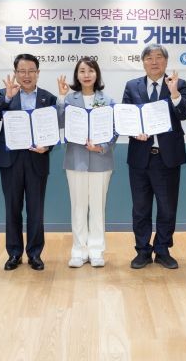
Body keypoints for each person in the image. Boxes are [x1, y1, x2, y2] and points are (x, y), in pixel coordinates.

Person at [122, 43, 186, 270]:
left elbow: (183, 114)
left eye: (159, 57)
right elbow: (126, 117)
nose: (154, 61)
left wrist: (175, 93)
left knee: (167, 208)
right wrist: (134, 131)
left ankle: (162, 250)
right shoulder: (132, 86)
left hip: (167, 157)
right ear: (143, 62)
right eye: (149, 58)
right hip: (140, 157)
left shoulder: (178, 84)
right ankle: (142, 251)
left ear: (166, 62)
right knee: (140, 208)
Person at [0, 54, 58, 271]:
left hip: (37, 158)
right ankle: (14, 253)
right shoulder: (6, 93)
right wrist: (7, 99)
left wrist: (48, 146)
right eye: (22, 71)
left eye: (31, 71)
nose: (26, 75)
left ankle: (35, 254)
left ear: (38, 73)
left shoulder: (48, 98)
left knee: (36, 210)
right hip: (11, 160)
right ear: (15, 73)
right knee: (12, 208)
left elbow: (53, 129)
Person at [56, 57, 116, 268]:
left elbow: (114, 130)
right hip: (76, 160)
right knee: (78, 207)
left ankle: (96, 250)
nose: (87, 75)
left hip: (101, 160)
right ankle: (79, 251)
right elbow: (59, 122)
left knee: (98, 207)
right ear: (77, 75)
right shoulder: (69, 99)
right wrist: (61, 97)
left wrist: (101, 147)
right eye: (82, 71)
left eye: (91, 70)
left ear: (97, 74)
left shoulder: (108, 100)